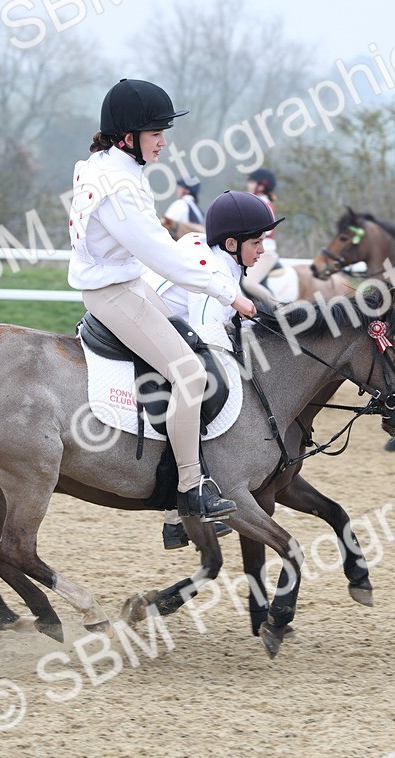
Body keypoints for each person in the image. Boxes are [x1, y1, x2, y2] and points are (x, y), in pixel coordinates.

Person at [67, 78, 257, 533]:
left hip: (126, 283)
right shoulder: (120, 187)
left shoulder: (107, 168)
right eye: (156, 135)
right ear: (128, 137)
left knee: (188, 347)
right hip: (116, 292)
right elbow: (164, 256)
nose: (164, 143)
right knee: (190, 374)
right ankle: (189, 491)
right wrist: (228, 292)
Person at [147, 190, 284, 548]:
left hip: (156, 316)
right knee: (210, 385)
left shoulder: (218, 255)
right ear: (231, 243)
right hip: (145, 322)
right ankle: (179, 508)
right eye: (257, 242)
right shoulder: (216, 270)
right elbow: (210, 337)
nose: (263, 250)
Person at [238, 167, 281, 308]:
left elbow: (266, 230)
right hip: (254, 250)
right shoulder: (256, 202)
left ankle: (277, 309)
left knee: (249, 283)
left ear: (262, 186)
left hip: (265, 252)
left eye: (252, 182)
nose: (248, 185)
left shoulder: (264, 204)